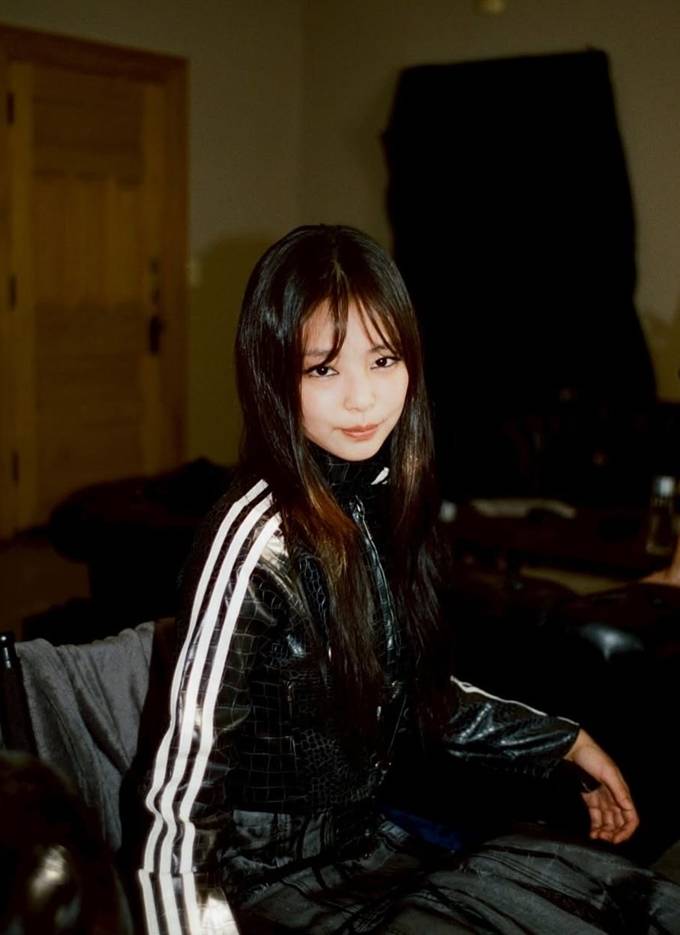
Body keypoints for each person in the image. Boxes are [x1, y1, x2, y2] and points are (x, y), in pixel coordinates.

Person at [134, 225, 680, 934]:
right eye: (323, 369)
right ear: (270, 375)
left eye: (383, 359)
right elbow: (181, 803)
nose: (362, 399)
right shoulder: (255, 541)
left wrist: (564, 742)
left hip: (369, 849)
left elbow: (413, 695)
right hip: (260, 887)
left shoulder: (374, 498)